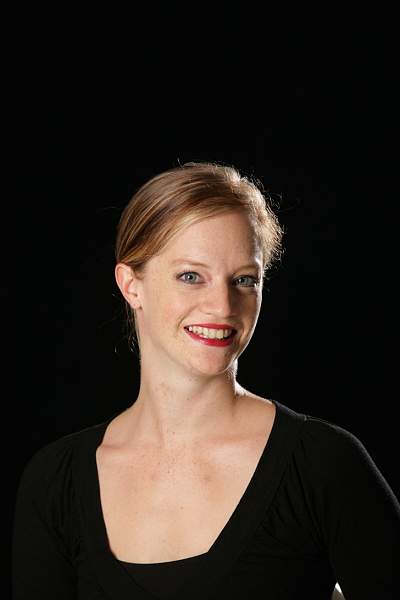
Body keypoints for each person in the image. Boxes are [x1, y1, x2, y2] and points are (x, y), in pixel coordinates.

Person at [12, 162, 400, 599]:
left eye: (244, 280)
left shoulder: (323, 464)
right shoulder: (55, 481)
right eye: (191, 276)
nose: (223, 305)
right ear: (131, 285)